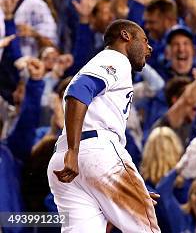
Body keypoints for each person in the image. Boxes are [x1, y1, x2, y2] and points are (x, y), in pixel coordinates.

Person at [47, 19, 160, 232]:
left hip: (66, 161)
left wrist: (129, 190)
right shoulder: (115, 59)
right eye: (144, 40)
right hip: (94, 150)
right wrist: (74, 150)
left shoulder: (99, 63)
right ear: (126, 36)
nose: (149, 47)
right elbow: (78, 92)